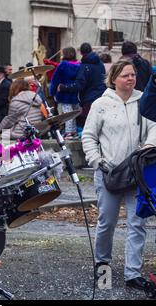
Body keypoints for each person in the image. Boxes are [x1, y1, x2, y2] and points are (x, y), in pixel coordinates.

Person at [82, 60, 156, 291]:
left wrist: (149, 145)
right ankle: (102, 267)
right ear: (114, 78)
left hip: (137, 173)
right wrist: (98, 162)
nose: (131, 78)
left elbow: (154, 126)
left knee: (138, 223)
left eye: (133, 75)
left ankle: (133, 274)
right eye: (126, 75)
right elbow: (88, 137)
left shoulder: (144, 100)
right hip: (109, 173)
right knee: (107, 222)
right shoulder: (100, 104)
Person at [58, 42, 106, 130]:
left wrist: (63, 87)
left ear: (81, 53)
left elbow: (79, 85)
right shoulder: (100, 64)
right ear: (91, 50)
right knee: (101, 126)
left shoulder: (84, 66)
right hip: (103, 97)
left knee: (90, 128)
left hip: (89, 100)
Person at [49, 47, 81, 140]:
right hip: (75, 93)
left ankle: (68, 133)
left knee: (67, 114)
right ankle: (74, 131)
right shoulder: (79, 65)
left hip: (63, 94)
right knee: (74, 114)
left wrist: (52, 92)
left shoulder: (63, 65)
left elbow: (55, 79)